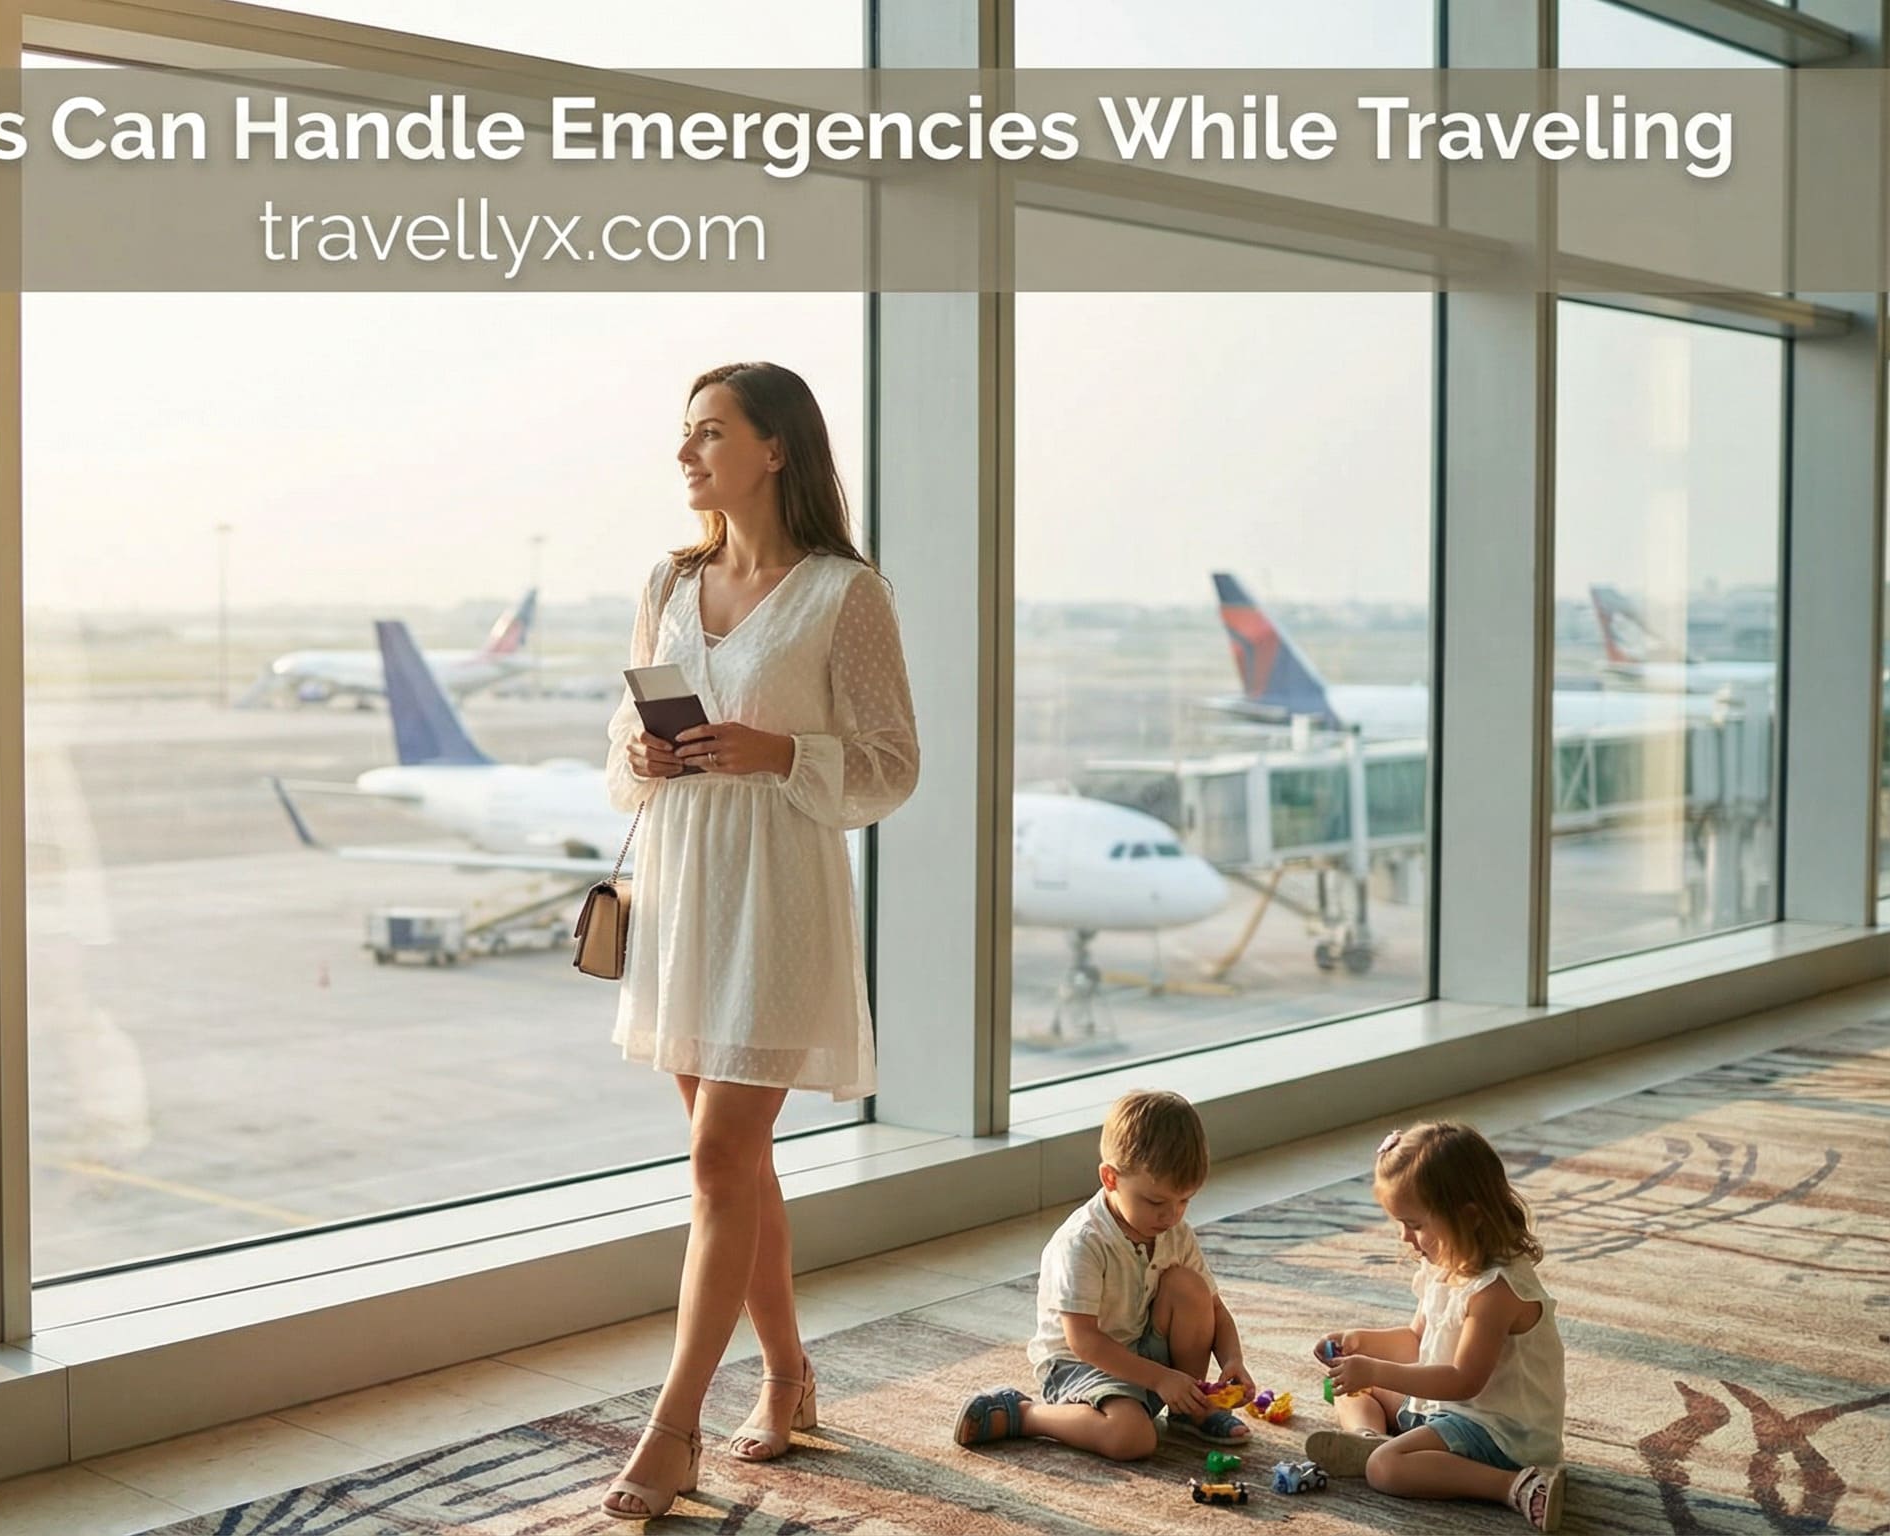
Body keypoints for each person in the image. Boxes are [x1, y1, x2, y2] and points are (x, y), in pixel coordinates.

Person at [597, 361, 919, 1520]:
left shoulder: (845, 594)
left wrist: (778, 753)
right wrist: (640, 757)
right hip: (685, 889)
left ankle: (671, 1427)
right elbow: (621, 739)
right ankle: (788, 1378)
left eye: (708, 434)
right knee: (735, 1160)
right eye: (684, 437)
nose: (685, 456)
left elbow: (892, 763)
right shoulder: (669, 580)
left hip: (778, 898)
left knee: (718, 1161)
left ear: (775, 446)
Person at [953, 1089, 1257, 1462]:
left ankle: (1190, 1409)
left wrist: (1233, 1361)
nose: (1172, 1216)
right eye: (1156, 1202)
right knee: (1132, 1438)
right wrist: (1160, 1378)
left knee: (1189, 1288)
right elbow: (1083, 1341)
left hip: (1141, 1350)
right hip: (1081, 1365)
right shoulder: (1084, 1241)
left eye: (1185, 1201)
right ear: (1110, 1178)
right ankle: (1023, 1414)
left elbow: (1214, 1308)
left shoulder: (1174, 1233)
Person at [1305, 1122, 1570, 1531]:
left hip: (1501, 1432)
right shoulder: (1445, 1265)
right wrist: (1359, 1342)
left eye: (1414, 1224)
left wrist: (1375, 1368)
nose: (1404, 1237)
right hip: (1450, 1412)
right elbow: (1416, 1341)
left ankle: (1516, 1486)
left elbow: (1463, 1380)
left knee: (1386, 1469)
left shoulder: (1496, 1292)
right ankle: (1366, 1438)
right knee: (1357, 1387)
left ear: (1468, 1216)